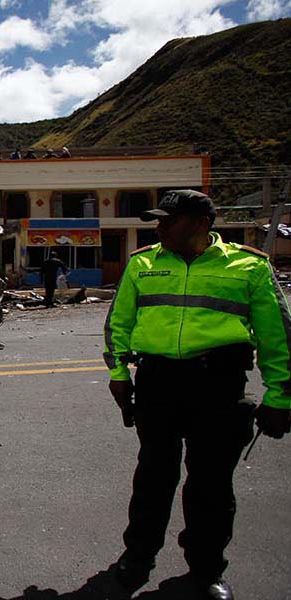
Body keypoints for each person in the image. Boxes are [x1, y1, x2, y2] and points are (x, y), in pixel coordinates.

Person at [103, 190, 291, 600]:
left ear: (202, 224)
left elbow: (278, 339)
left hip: (218, 389)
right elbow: (118, 324)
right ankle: (137, 559)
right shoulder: (143, 263)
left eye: (170, 220)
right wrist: (118, 374)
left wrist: (280, 397)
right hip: (157, 385)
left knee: (210, 486)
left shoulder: (249, 267)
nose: (160, 227)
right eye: (159, 220)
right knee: (152, 478)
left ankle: (206, 570)